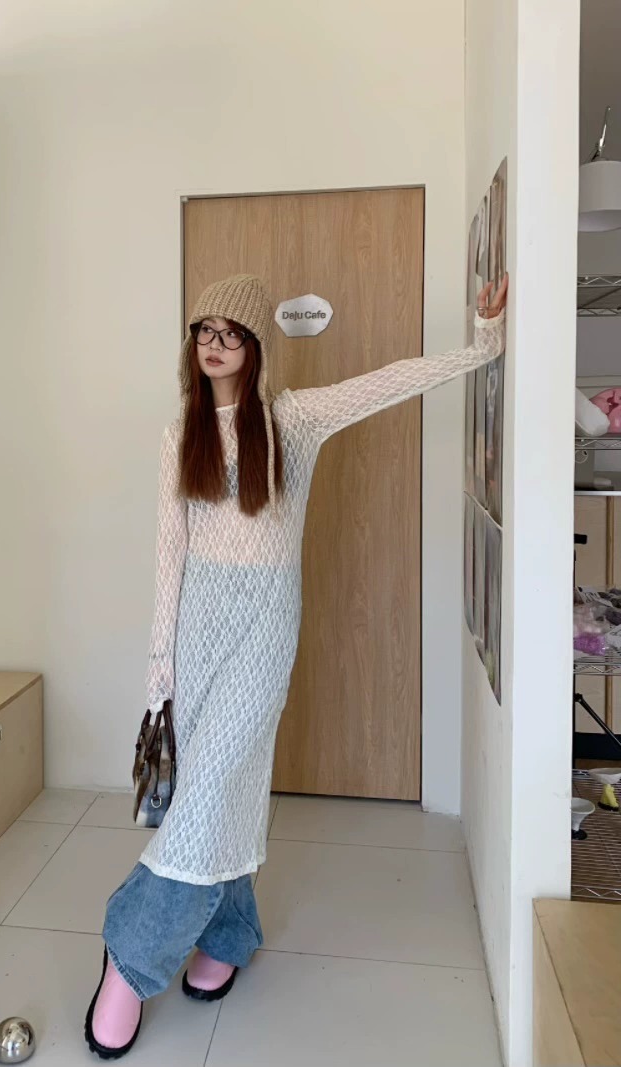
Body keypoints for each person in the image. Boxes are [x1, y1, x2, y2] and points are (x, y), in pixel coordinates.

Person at [85, 271, 509, 1060]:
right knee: (225, 785)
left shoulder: (295, 419)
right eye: (204, 331)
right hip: (196, 631)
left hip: (264, 628)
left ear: (255, 346)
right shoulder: (181, 433)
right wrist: (159, 671)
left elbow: (391, 382)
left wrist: (483, 347)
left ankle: (130, 956)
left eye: (231, 333)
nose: (215, 344)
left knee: (209, 791)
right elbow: (168, 557)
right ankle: (230, 932)